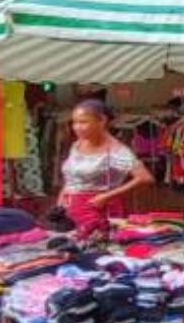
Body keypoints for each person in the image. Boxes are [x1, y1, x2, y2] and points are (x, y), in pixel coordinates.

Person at [57, 100, 154, 236]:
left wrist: (106, 196)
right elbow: (71, 176)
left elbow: (145, 178)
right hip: (69, 208)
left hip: (96, 209)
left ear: (102, 120)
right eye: (74, 122)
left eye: (83, 122)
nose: (76, 127)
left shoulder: (116, 150)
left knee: (94, 247)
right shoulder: (77, 145)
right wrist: (61, 200)